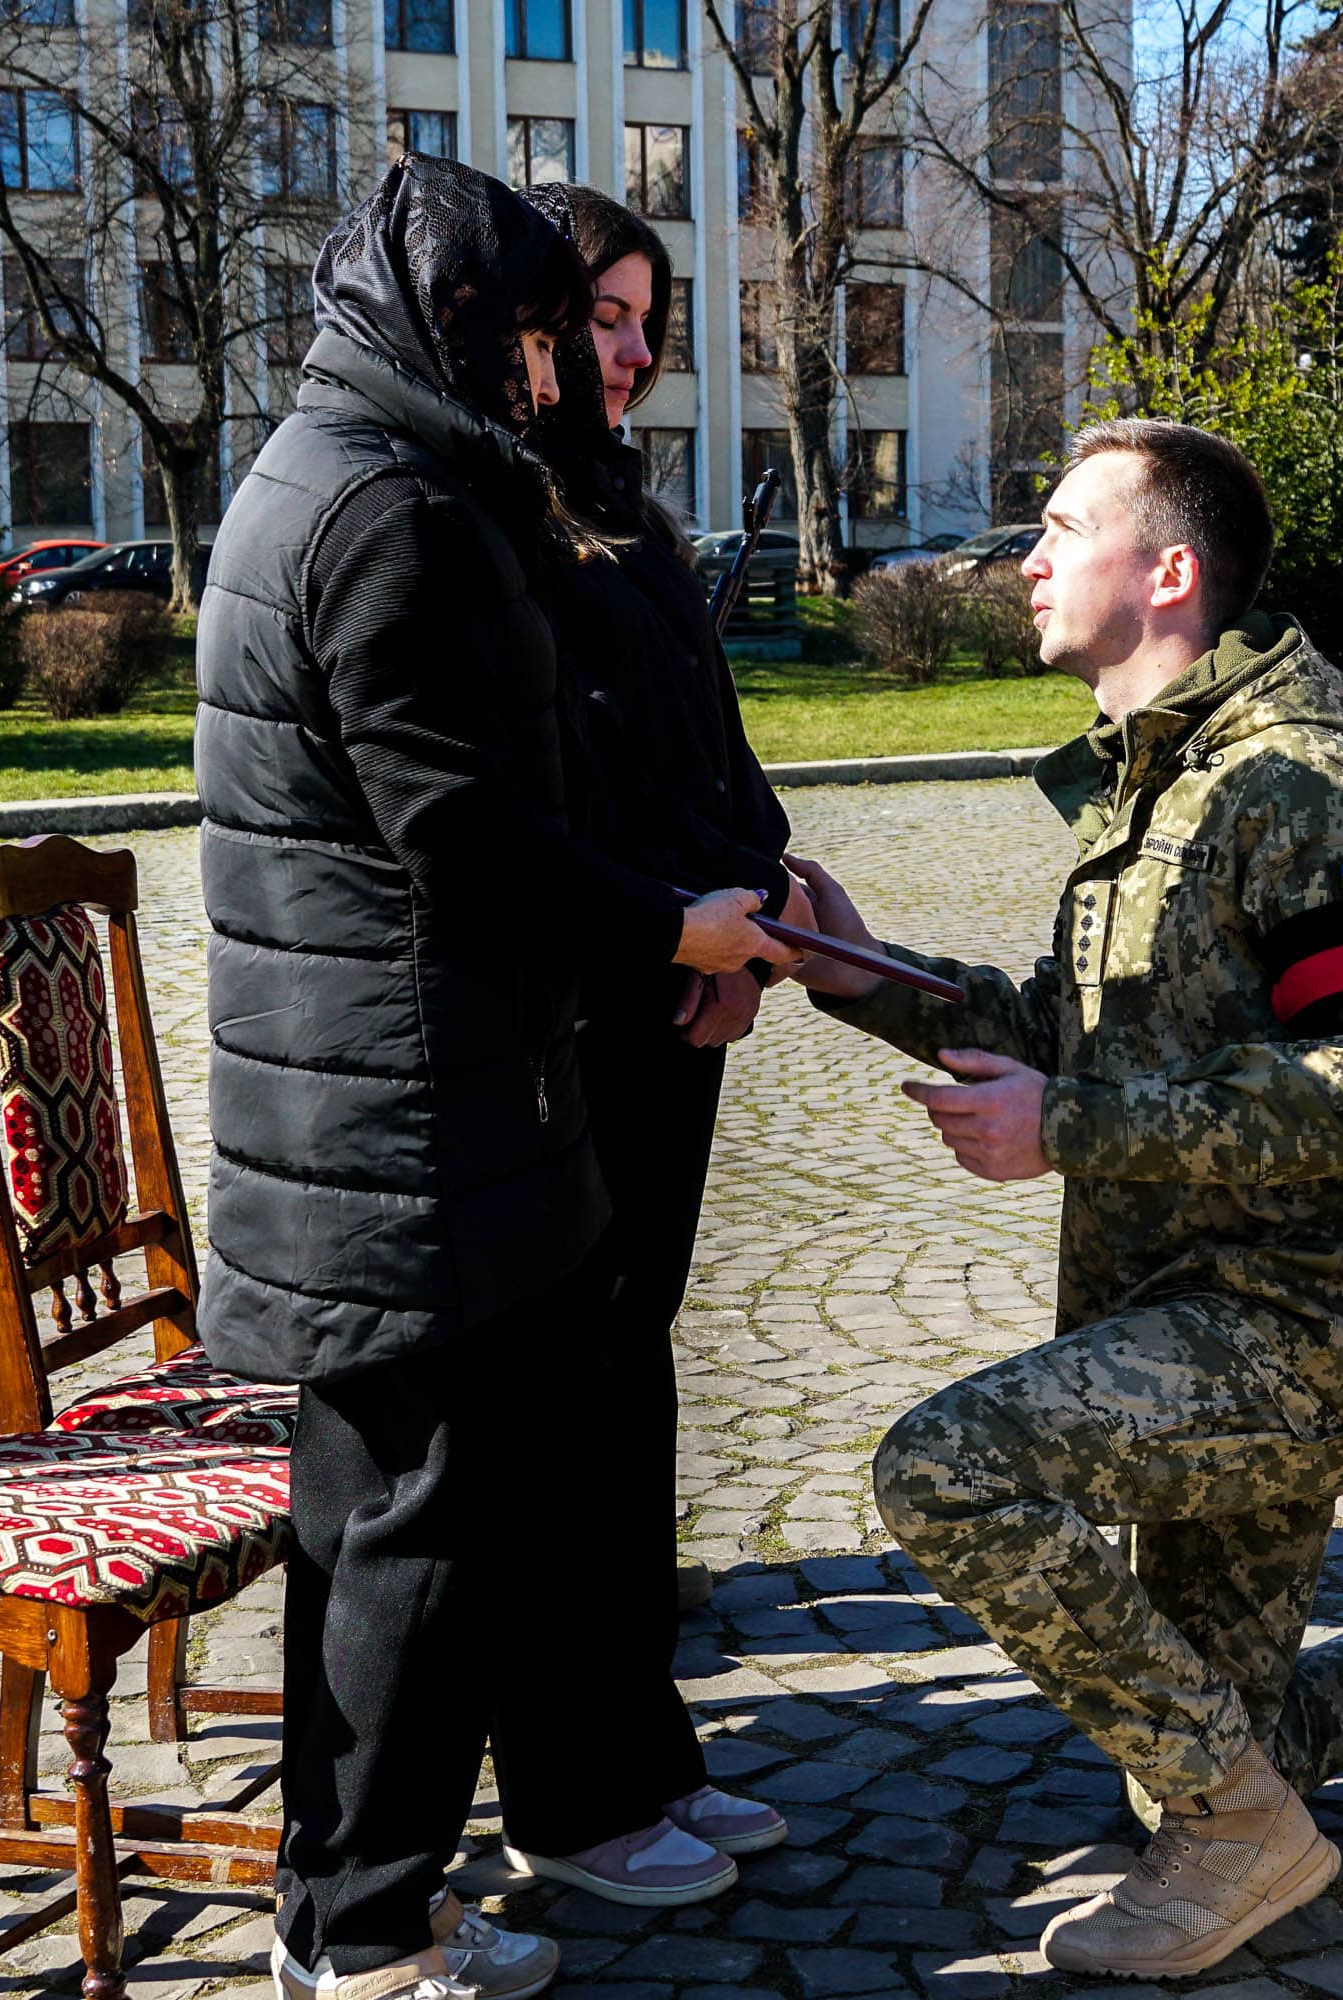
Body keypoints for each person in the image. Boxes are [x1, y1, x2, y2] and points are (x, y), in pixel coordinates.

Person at [787, 419, 1343, 1980]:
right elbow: (1089, 1029)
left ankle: (1239, 1841)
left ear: (1171, 571)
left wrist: (1064, 1129)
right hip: (1196, 1300)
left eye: (1065, 529)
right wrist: (851, 972)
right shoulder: (1182, 762)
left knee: (948, 1470)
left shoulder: (1295, 784)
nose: (1029, 561)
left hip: (1309, 1316)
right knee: (1221, 1732)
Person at [191, 157, 777, 2000]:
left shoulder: (367, 475)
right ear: (463, 324)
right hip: (398, 1117)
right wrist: (670, 936)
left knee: (407, 1523)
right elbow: (466, 833)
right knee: (405, 1538)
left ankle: (370, 1905)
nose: (559, 374)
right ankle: (358, 1934)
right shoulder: (392, 512)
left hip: (396, 1107)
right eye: (539, 334)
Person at [487, 180, 796, 1906]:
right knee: (568, 1409)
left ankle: (638, 1756)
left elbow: (710, 761)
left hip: (687, 1002)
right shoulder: (503, 523)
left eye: (645, 317)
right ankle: (568, 1792)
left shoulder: (636, 520)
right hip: (583, 1014)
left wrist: (754, 920)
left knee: (634, 1384)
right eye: (599, 316)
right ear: (526, 330)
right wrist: (684, 929)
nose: (631, 347)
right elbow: (560, 800)